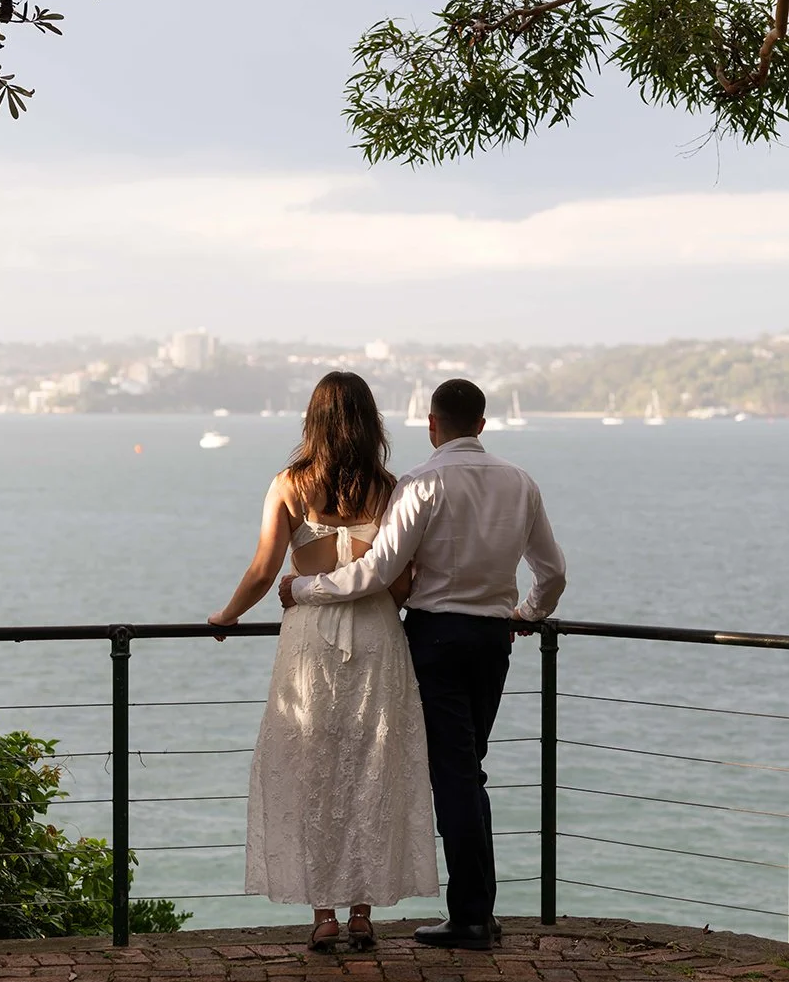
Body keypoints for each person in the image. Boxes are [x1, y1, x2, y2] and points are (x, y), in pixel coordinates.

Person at [280, 378, 566, 951]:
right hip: (493, 639)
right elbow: (552, 573)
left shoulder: (422, 483)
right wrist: (525, 615)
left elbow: (379, 572)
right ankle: (479, 909)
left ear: (432, 424)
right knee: (470, 770)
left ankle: (471, 917)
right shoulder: (520, 483)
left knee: (457, 777)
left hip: (436, 637)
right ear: (482, 425)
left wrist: (305, 588)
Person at [208, 371, 439, 952]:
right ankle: (364, 913)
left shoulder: (289, 484)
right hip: (376, 636)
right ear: (370, 423)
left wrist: (227, 615)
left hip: (309, 640)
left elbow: (264, 571)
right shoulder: (389, 490)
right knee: (371, 764)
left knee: (313, 765)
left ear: (313, 421)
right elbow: (402, 584)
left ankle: (325, 915)